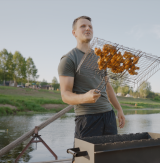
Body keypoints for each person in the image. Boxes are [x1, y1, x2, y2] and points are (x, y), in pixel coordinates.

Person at [58, 16, 125, 161]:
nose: (87, 28)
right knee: (85, 160)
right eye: (83, 26)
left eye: (90, 26)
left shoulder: (100, 58)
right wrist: (85, 98)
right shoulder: (69, 59)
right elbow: (65, 95)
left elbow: (107, 86)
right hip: (87, 119)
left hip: (108, 116)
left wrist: (119, 109)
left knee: (111, 158)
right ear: (74, 33)